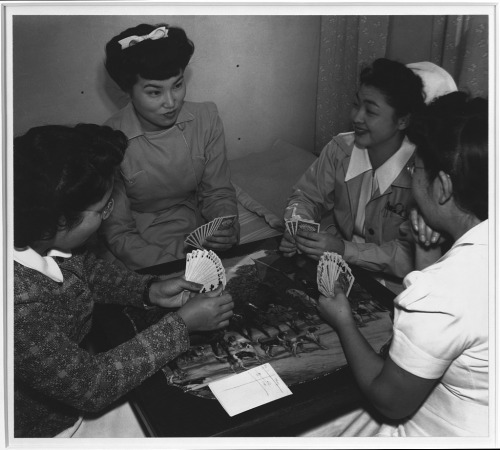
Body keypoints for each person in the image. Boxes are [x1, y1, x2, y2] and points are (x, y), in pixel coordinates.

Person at [13, 124, 234, 438]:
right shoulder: (17, 308)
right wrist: (182, 325)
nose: (107, 215)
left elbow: (86, 271)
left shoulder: (39, 234)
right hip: (44, 428)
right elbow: (92, 385)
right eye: (103, 208)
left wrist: (148, 289)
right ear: (60, 220)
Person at [302, 91, 488, 437]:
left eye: (417, 169)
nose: (411, 178)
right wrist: (426, 252)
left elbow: (390, 401)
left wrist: (342, 319)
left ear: (443, 187)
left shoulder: (443, 291)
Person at [279, 59, 456, 292]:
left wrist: (344, 249)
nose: (357, 117)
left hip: (396, 285)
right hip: (337, 265)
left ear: (403, 120)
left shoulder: (422, 175)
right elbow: (306, 196)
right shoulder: (339, 149)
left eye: (370, 111)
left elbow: (409, 255)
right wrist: (299, 227)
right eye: (356, 104)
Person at [99, 23, 239, 270]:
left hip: (193, 224)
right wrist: (171, 268)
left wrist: (225, 224)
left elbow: (217, 192)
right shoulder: (109, 141)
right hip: (139, 242)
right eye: (154, 92)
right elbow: (119, 231)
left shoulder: (206, 118)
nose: (171, 102)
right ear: (127, 91)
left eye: (177, 85)